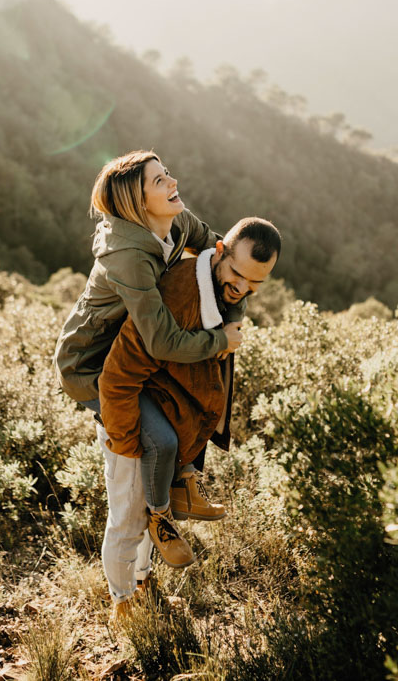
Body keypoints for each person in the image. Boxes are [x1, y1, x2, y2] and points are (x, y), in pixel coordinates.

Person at [53, 151, 244, 614]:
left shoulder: (174, 221)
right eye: (160, 180)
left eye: (167, 173)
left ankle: (142, 579)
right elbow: (159, 340)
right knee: (131, 498)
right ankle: (123, 602)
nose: (173, 181)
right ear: (139, 204)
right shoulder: (129, 256)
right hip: (94, 368)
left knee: (166, 448)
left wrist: (239, 271)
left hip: (135, 360)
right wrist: (218, 340)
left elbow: (214, 245)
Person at [98, 217, 281, 619]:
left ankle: (145, 585)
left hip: (156, 399)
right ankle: (121, 604)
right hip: (123, 406)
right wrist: (124, 439)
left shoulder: (222, 289)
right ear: (218, 252)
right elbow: (119, 374)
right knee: (129, 517)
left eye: (255, 284)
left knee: (149, 508)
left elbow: (235, 293)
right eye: (237, 274)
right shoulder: (182, 291)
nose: (243, 288)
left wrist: (236, 305)